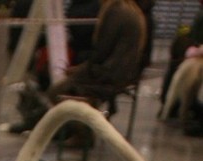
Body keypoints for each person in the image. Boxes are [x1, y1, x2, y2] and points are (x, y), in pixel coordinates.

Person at [13, 0, 145, 131]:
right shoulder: (127, 8)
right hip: (121, 71)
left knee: (56, 91)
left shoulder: (115, 10)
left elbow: (101, 53)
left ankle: (78, 132)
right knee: (62, 81)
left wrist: (78, 71)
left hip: (110, 74)